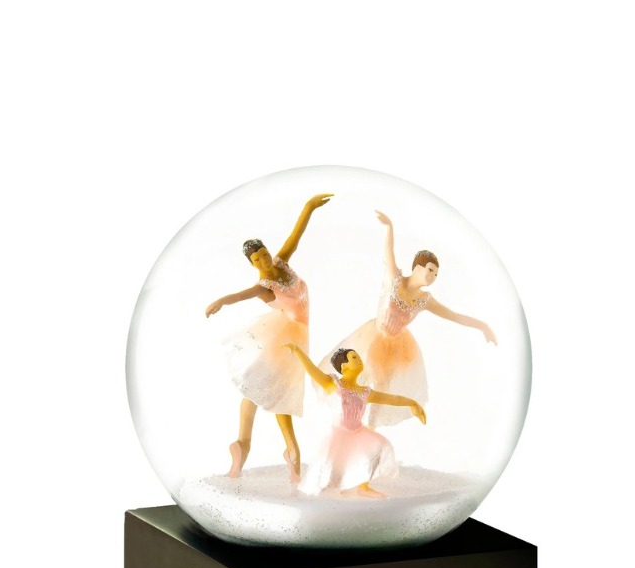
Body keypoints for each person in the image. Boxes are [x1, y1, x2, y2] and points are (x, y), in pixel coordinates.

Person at [319, 211, 497, 428]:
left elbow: (453, 315)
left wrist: (482, 326)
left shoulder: (425, 299)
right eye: (430, 270)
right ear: (417, 267)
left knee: (382, 386)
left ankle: (370, 428)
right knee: (361, 378)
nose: (432, 276)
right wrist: (389, 227)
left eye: (436, 274)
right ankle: (346, 420)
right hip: (374, 336)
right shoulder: (394, 279)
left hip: (397, 347)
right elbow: (388, 252)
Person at [205, 193, 332, 480]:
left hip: (295, 335)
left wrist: (309, 207)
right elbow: (242, 295)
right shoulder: (265, 286)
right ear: (252, 265)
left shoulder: (281, 262)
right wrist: (222, 301)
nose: (263, 261)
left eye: (263, 254)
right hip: (286, 340)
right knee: (279, 392)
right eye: (257, 260)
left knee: (260, 388)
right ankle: (291, 451)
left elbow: (296, 236)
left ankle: (243, 444)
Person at [284, 343, 426, 498]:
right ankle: (335, 486)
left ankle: (363, 487)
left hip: (358, 432)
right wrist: (297, 351)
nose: (359, 360)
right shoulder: (333, 384)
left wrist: (412, 403)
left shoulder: (365, 392)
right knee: (331, 468)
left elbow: (392, 398)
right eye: (354, 357)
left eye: (358, 357)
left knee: (380, 446)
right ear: (344, 366)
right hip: (339, 433)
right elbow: (312, 369)